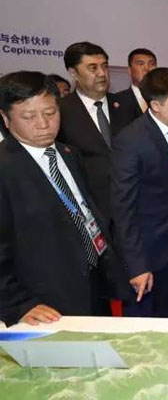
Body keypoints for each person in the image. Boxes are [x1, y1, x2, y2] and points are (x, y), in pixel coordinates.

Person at [0, 71, 129, 327]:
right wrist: (18, 304)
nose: (43, 124)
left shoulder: (69, 154)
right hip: (43, 301)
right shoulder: (5, 168)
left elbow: (84, 212)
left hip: (91, 283)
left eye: (50, 113)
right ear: (5, 118)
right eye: (29, 117)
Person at [111, 68, 168, 317]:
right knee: (144, 326)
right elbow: (123, 209)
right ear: (156, 106)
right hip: (148, 254)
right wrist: (136, 265)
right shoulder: (131, 140)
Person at [57, 41, 138, 223]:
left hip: (132, 203)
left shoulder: (126, 104)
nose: (102, 73)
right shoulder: (61, 111)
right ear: (73, 73)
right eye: (93, 68)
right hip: (91, 209)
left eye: (104, 66)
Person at [115, 48, 157, 115]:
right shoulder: (117, 100)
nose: (147, 68)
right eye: (141, 64)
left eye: (151, 64)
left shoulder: (165, 97)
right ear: (129, 70)